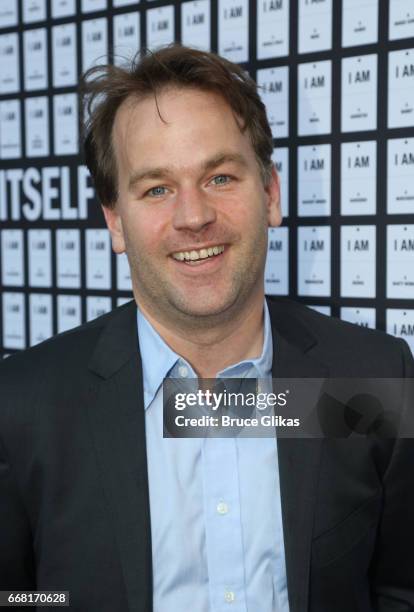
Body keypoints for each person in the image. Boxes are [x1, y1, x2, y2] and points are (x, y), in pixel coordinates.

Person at [0, 44, 413, 612]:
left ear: (270, 193)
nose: (193, 217)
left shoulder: (373, 378)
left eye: (219, 177)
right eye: (157, 189)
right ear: (116, 221)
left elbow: (398, 587)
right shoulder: (23, 404)